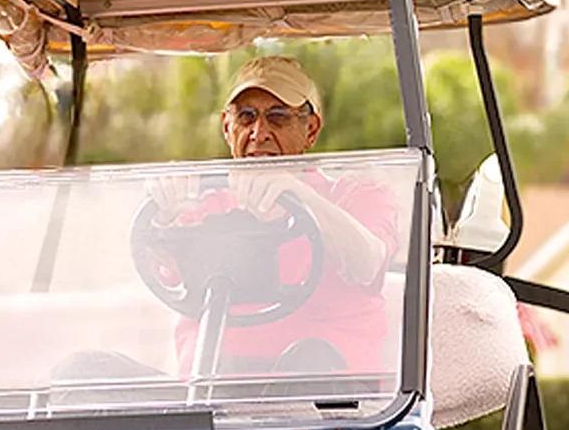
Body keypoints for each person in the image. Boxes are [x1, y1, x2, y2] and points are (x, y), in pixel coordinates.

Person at [150, 55, 400, 376]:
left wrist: (297, 193)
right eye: (246, 117)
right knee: (83, 366)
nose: (259, 133)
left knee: (310, 359)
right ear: (228, 129)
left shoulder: (358, 197)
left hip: (324, 404)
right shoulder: (202, 208)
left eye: (278, 117)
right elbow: (164, 271)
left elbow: (368, 265)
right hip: (210, 400)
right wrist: (163, 218)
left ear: (310, 130)